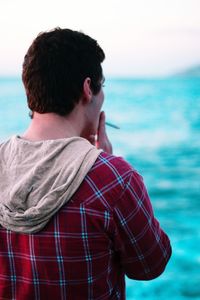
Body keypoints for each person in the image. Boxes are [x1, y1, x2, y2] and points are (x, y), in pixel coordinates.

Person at [0, 28, 171, 300]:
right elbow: (150, 265)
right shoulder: (114, 178)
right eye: (102, 86)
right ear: (88, 88)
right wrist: (108, 162)